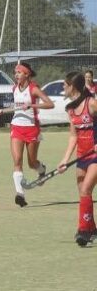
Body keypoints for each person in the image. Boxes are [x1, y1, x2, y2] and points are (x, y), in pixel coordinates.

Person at [0, 62, 54, 207]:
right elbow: (17, 107)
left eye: (19, 72)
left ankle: (41, 169)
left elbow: (50, 104)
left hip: (32, 129)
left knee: (32, 163)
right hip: (17, 128)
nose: (16, 75)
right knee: (17, 161)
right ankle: (20, 194)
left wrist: (32, 105)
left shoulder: (34, 89)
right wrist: (2, 110)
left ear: (26, 74)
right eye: (15, 72)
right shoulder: (15, 88)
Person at [56, 71, 97, 247]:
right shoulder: (71, 109)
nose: (62, 87)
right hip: (82, 156)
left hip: (95, 155)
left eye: (64, 85)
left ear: (72, 86)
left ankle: (83, 230)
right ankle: (92, 229)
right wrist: (64, 160)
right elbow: (73, 136)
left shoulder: (92, 103)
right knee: (83, 194)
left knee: (86, 189)